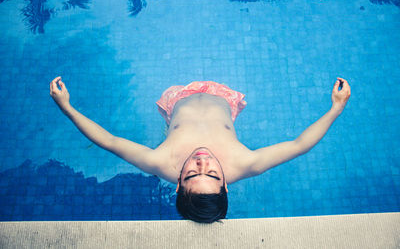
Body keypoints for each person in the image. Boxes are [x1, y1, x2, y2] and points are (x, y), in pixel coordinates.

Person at [50, 77, 351, 223]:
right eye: (212, 173)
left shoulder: (161, 161)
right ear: (227, 186)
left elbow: (110, 141)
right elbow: (300, 145)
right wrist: (335, 109)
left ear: (179, 182)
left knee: (168, 123)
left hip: (177, 102)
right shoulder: (245, 163)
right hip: (224, 101)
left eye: (193, 172)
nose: (202, 160)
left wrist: (67, 108)